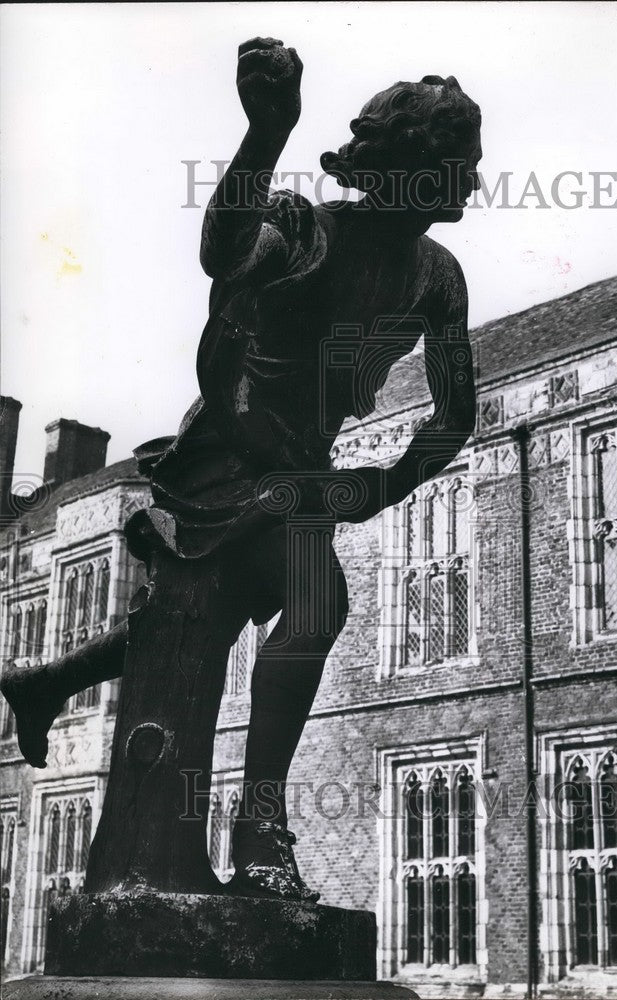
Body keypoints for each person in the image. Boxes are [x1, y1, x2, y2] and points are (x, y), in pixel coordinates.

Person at [1, 37, 481, 901]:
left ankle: (48, 680)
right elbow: (224, 254)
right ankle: (262, 824)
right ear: (412, 164)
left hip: (297, 471)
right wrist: (266, 134)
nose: (475, 183)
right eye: (461, 163)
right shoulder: (309, 227)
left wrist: (380, 486)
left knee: (208, 611)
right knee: (304, 600)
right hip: (223, 451)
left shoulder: (438, 277)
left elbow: (454, 418)